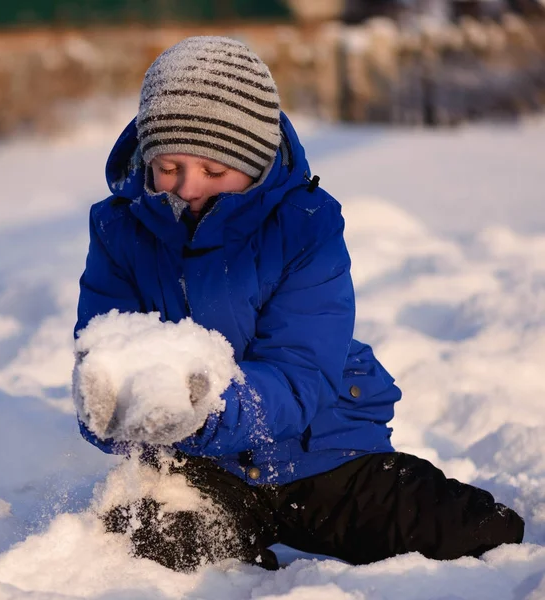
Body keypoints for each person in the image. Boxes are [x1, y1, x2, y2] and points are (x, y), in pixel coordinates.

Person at [73, 36, 524, 572]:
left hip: (324, 452)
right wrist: (111, 408)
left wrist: (204, 408)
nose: (188, 187)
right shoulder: (120, 229)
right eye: (168, 167)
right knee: (147, 545)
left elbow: (299, 374)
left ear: (258, 162)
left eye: (214, 171)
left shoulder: (306, 227)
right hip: (206, 469)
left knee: (471, 534)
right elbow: (109, 346)